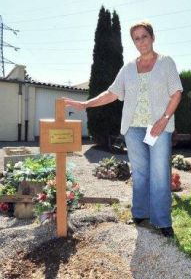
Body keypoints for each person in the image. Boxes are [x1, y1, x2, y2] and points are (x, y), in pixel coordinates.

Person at [64, 21, 183, 238]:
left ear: (152, 37)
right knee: (140, 173)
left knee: (159, 174)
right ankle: (140, 213)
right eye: (136, 38)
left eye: (144, 36)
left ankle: (162, 221)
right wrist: (86, 104)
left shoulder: (166, 62)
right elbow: (111, 93)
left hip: (159, 128)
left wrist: (164, 119)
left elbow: (176, 93)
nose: (141, 41)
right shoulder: (128, 68)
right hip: (133, 129)